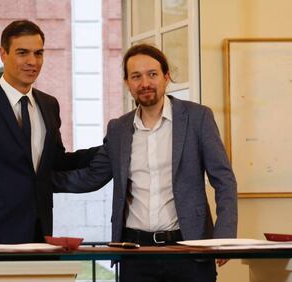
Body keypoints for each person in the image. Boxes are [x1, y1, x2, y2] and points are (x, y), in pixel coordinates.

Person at [53, 44, 237, 282]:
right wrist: (39, 182)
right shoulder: (118, 129)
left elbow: (224, 180)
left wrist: (224, 236)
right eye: (136, 76)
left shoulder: (198, 118)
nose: (145, 83)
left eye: (152, 74)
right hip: (135, 255)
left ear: (166, 76)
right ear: (127, 83)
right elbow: (92, 176)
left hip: (190, 250)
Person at [0, 20, 97, 247]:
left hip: (38, 236)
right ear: (3, 54)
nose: (32, 61)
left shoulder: (49, 105)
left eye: (38, 53)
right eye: (22, 53)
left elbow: (55, 162)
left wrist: (108, 149)